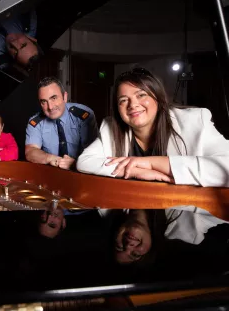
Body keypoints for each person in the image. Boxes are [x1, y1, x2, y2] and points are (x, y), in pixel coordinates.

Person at [77, 67, 229, 187]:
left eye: (141, 95)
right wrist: (137, 171)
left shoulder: (194, 120)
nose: (133, 105)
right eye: (123, 100)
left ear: (157, 97)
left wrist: (152, 163)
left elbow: (226, 168)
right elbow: (85, 162)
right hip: (132, 207)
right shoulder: (110, 126)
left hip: (186, 214)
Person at [99, 207, 229, 266]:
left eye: (119, 247)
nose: (128, 246)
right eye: (135, 254)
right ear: (150, 249)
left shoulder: (107, 204)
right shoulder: (188, 229)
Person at [25, 77, 97, 170]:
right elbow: (30, 151)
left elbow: (93, 155)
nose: (50, 107)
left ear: (65, 97)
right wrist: (52, 159)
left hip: (82, 174)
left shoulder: (84, 116)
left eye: (54, 98)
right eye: (44, 102)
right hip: (51, 174)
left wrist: (76, 164)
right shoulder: (35, 122)